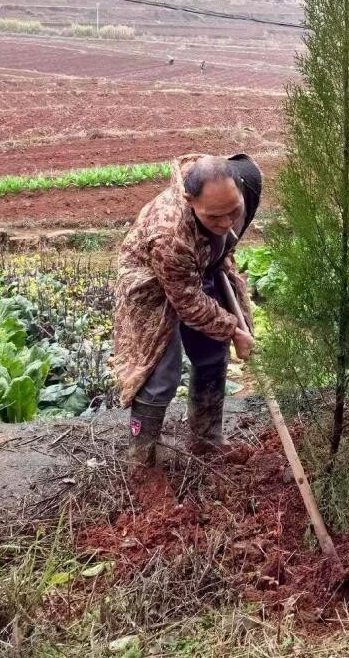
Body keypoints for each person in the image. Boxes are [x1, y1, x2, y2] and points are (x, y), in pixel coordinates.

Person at [111, 154, 262, 465]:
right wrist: (234, 330)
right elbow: (190, 304)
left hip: (198, 267)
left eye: (232, 212)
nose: (225, 224)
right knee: (160, 375)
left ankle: (206, 439)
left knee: (212, 352)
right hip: (151, 286)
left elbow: (223, 239)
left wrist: (228, 327)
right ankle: (144, 455)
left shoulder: (244, 184)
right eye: (214, 217)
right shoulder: (170, 235)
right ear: (190, 201)